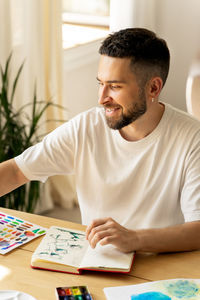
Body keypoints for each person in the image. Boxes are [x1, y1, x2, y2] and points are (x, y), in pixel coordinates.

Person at [1, 28, 200, 254]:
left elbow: (198, 230)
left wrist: (134, 238)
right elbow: (17, 171)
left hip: (161, 271)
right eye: (100, 83)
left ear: (153, 87)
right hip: (96, 262)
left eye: (115, 86)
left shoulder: (193, 139)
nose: (102, 98)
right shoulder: (86, 127)